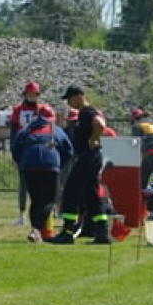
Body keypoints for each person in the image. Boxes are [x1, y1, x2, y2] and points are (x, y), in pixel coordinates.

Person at [54, 85, 110, 245]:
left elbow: (100, 125)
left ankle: (68, 231)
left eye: (70, 99)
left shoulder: (87, 112)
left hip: (88, 156)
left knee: (71, 191)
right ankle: (102, 231)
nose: (69, 103)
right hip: (91, 157)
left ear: (79, 96)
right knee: (91, 195)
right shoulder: (83, 114)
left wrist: (93, 139)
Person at [11, 106, 73, 243]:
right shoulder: (56, 130)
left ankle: (35, 230)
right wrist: (59, 164)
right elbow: (68, 150)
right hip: (49, 165)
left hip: (29, 167)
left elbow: (15, 147)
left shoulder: (26, 130)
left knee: (36, 200)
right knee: (51, 199)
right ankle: (37, 229)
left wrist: (22, 164)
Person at [10, 81, 47, 227]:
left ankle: (40, 213)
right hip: (24, 149)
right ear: (25, 95)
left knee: (39, 183)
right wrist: (14, 152)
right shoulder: (18, 110)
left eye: (34, 95)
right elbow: (13, 133)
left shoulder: (42, 110)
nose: (32, 97)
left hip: (38, 148)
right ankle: (21, 214)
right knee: (23, 184)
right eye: (29, 94)